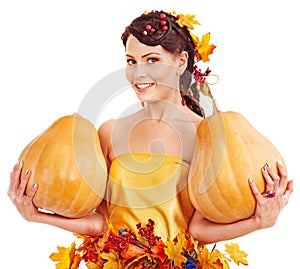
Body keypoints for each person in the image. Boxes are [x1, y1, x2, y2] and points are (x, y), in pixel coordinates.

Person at [8, 9, 293, 266]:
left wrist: (260, 221)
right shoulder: (109, 132)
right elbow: (103, 222)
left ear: (181, 62)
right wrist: (37, 216)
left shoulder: (205, 136)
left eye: (152, 59)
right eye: (131, 61)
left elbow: (198, 229)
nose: (138, 72)